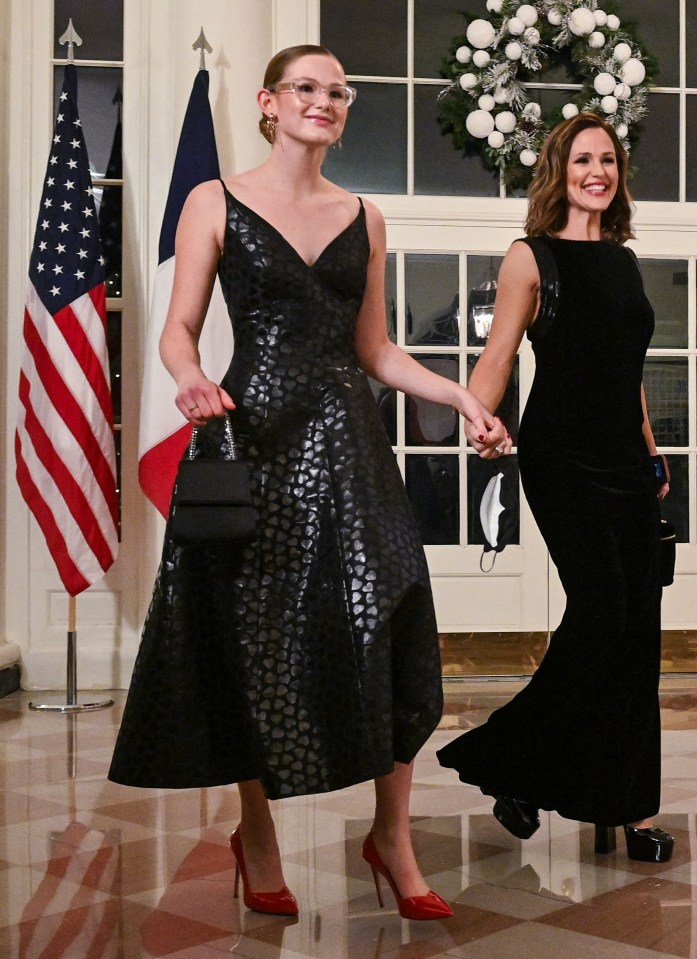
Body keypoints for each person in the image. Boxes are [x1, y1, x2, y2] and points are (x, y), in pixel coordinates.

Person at [109, 44, 497, 919]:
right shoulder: (216, 200)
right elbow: (178, 329)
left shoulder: (366, 214)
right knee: (250, 632)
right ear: (270, 103)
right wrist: (187, 378)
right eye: (308, 89)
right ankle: (258, 833)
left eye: (339, 92)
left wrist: (463, 396)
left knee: (392, 605)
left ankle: (390, 836)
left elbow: (376, 350)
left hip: (350, 442)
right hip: (251, 439)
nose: (326, 101)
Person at [437, 113, 675, 864]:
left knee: (638, 629)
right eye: (582, 160)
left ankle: (629, 805)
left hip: (628, 462)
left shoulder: (624, 260)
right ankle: (512, 759)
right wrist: (479, 414)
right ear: (559, 170)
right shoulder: (528, 257)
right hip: (564, 459)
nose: (596, 171)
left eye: (607, 160)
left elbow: (629, 371)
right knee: (604, 611)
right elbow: (499, 354)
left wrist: (650, 447)